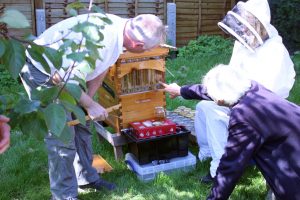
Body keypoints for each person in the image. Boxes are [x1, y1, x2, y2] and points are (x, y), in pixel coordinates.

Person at [20, 13, 166, 200]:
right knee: (62, 136)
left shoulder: (122, 30)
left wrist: (88, 100)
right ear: (138, 46)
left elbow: (103, 66)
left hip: (68, 74)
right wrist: (90, 104)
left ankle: (86, 177)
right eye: (147, 49)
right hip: (44, 73)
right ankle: (63, 196)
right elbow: (63, 79)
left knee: (82, 123)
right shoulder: (102, 39)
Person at [162, 64, 300, 200]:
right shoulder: (252, 87)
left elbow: (230, 166)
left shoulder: (243, 118)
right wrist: (181, 91)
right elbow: (215, 88)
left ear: (220, 100)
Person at [194, 0, 295, 182]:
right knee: (203, 106)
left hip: (264, 113)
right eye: (243, 24)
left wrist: (233, 102)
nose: (244, 30)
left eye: (248, 25)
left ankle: (219, 169)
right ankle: (208, 152)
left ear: (259, 25)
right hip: (239, 100)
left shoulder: (276, 52)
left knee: (214, 113)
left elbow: (268, 95)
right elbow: (232, 77)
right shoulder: (242, 44)